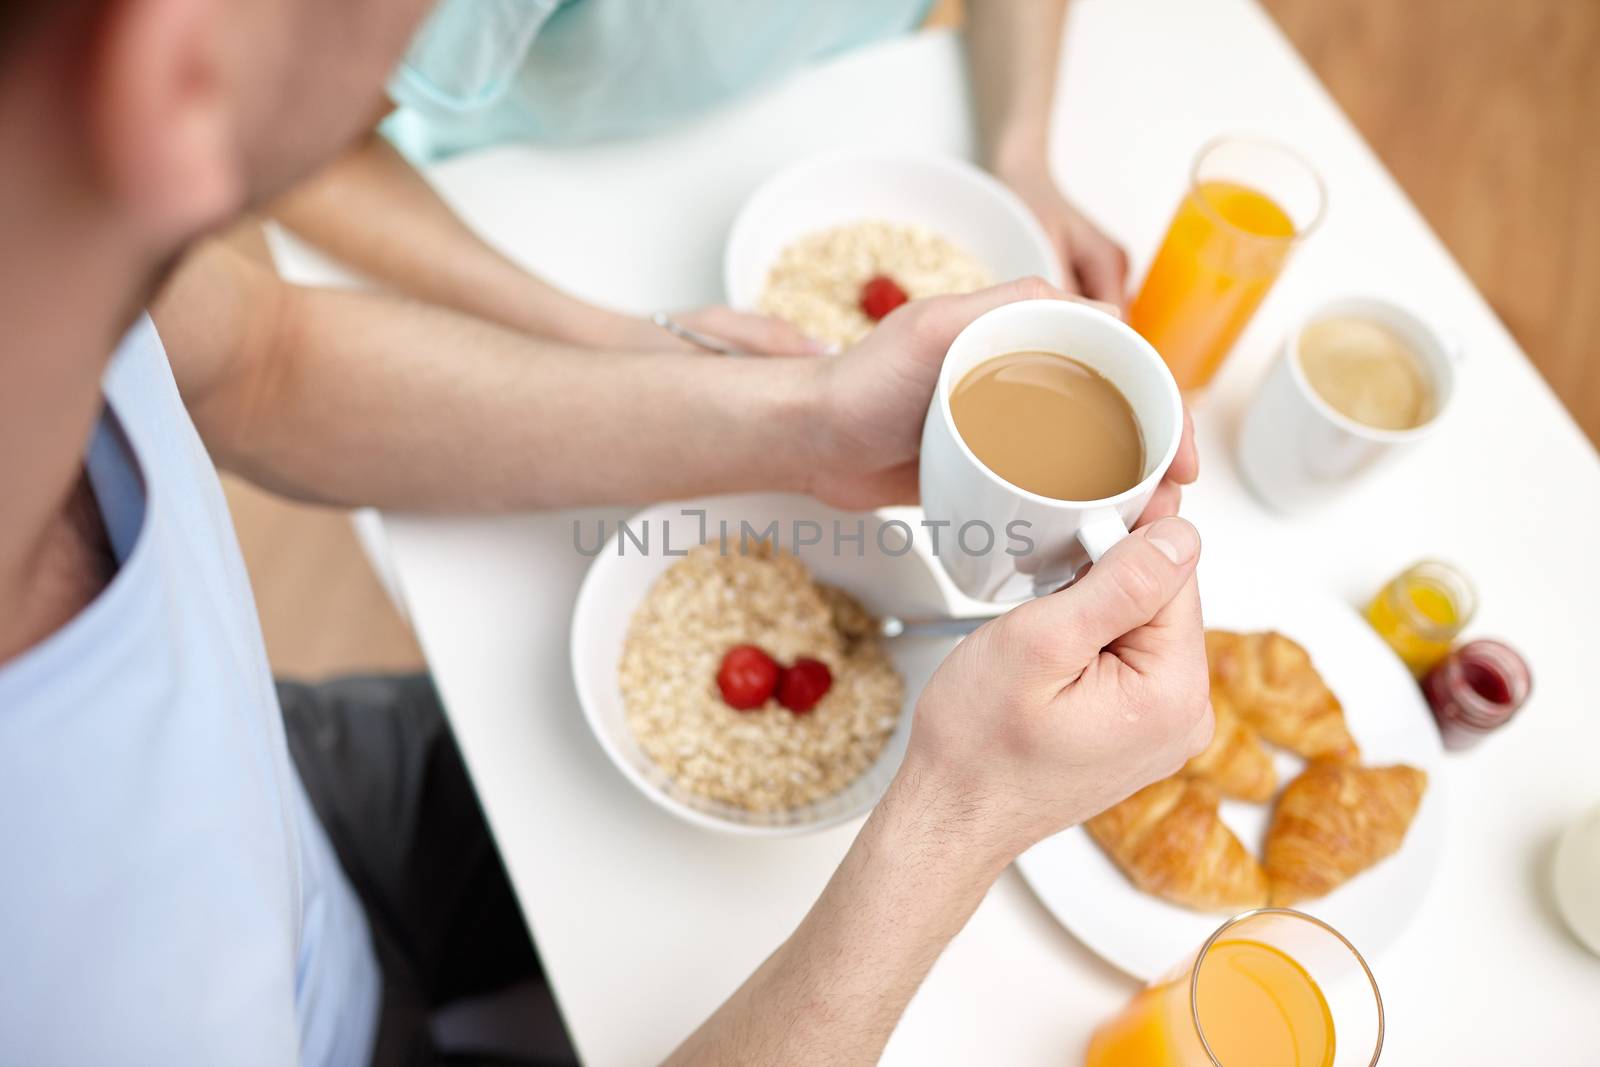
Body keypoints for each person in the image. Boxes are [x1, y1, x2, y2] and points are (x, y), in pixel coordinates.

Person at [0, 2, 1209, 1066]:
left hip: (291, 793)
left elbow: (261, 361)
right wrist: (959, 822)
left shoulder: (49, 244)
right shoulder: (79, 996)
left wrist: (803, 424)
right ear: (178, 60)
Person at [270, 0, 1130, 356]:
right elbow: (295, 156)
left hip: (850, 100)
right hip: (523, 192)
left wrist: (1023, 152)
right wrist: (604, 336)